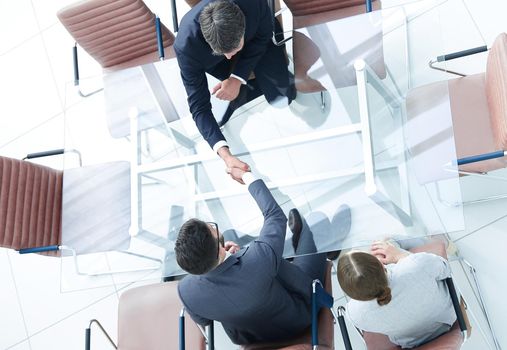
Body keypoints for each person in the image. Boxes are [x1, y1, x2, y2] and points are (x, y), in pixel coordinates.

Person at [175, 169, 350, 345]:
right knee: (316, 220)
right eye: (212, 228)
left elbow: (205, 321)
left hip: (252, 337)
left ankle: (286, 242)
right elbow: (274, 215)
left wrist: (227, 258)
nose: (213, 227)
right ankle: (331, 246)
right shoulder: (257, 260)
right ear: (218, 250)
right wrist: (247, 177)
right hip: (299, 319)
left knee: (230, 234)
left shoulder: (186, 290)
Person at [174, 0, 296, 184]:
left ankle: (249, 83)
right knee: (248, 95)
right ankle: (248, 87)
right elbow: (199, 108)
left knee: (283, 97)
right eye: (224, 52)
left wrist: (237, 78)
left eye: (234, 50)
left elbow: (263, 35)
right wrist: (226, 156)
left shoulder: (254, 5)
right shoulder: (186, 47)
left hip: (256, 39)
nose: (230, 57)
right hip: (211, 58)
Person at [337, 241, 457, 348]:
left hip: (411, 342)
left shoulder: (354, 313)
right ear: (380, 264)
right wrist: (400, 255)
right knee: (390, 241)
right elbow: (445, 268)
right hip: (447, 317)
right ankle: (444, 242)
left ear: (352, 295)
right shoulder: (415, 265)